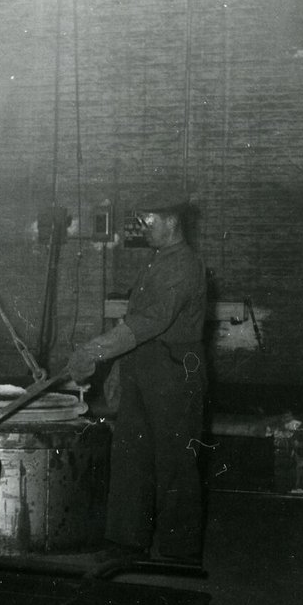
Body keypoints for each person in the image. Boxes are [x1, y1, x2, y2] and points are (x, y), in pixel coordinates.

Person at [66, 195, 208, 564]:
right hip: (143, 366)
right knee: (131, 454)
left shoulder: (184, 265)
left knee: (175, 460)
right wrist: (117, 369)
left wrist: (95, 352)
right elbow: (136, 319)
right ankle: (127, 541)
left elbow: (150, 322)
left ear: (172, 221)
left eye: (149, 221)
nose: (143, 229)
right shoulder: (158, 261)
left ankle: (181, 551)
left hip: (175, 370)